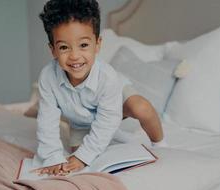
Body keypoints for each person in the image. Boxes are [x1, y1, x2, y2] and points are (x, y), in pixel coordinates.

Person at [35, 0, 165, 176]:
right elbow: (47, 121)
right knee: (76, 155)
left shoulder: (107, 77)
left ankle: (159, 143)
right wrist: (52, 158)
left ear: (97, 44)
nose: (75, 56)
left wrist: (84, 156)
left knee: (141, 108)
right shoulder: (48, 77)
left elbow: (108, 119)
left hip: (115, 101)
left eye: (83, 45)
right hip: (81, 119)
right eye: (64, 47)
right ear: (53, 50)